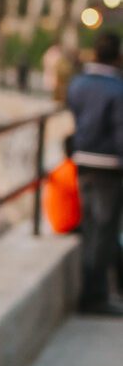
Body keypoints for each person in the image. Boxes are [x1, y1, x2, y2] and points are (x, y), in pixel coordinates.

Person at [67, 31, 123, 316]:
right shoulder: (117, 89)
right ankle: (94, 296)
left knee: (91, 227)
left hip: (83, 161)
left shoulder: (78, 83)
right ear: (117, 55)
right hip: (109, 167)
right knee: (104, 231)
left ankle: (93, 291)